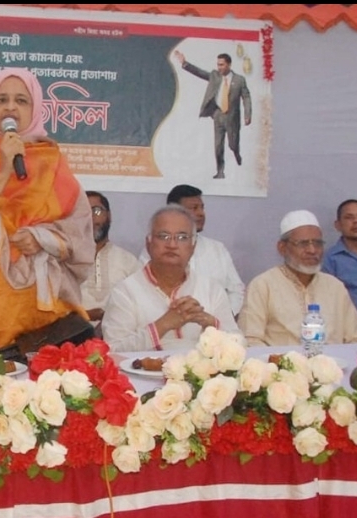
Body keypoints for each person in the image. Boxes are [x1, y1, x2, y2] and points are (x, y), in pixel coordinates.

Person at [0, 67, 94, 355]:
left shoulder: (51, 159)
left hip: (47, 313)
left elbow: (79, 229)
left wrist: (42, 238)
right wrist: (2, 173)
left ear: (35, 109)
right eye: (2, 100)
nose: (10, 107)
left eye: (21, 100)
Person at [102, 205, 237, 351]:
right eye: (163, 236)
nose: (172, 245)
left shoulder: (212, 290)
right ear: (148, 243)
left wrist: (209, 322)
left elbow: (239, 344)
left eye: (182, 237)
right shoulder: (125, 292)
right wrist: (163, 325)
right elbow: (113, 350)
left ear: (193, 247)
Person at [238, 210, 357, 346]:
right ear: (282, 248)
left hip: (334, 359)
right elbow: (250, 339)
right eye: (303, 243)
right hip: (281, 359)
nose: (312, 250)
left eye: (317, 243)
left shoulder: (335, 286)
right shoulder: (263, 285)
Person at [138, 184, 245, 315]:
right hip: (166, 323)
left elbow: (237, 291)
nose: (201, 213)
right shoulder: (155, 250)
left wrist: (221, 318)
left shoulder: (217, 249)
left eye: (202, 207)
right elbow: (142, 292)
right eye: (194, 208)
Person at [173, 50, 252, 179]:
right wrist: (185, 63)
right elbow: (200, 73)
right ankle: (220, 171)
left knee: (232, 144)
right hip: (218, 115)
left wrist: (247, 114)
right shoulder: (215, 76)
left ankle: (236, 153)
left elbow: (246, 97)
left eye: (222, 64)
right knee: (218, 146)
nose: (219, 67)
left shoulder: (239, 80)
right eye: (218, 64)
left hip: (232, 118)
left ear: (229, 65)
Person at [81, 191, 142, 326]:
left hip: (119, 333)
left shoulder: (128, 261)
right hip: (74, 334)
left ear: (109, 216)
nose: (90, 218)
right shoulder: (64, 262)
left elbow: (141, 305)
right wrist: (86, 315)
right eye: (83, 212)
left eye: (96, 211)